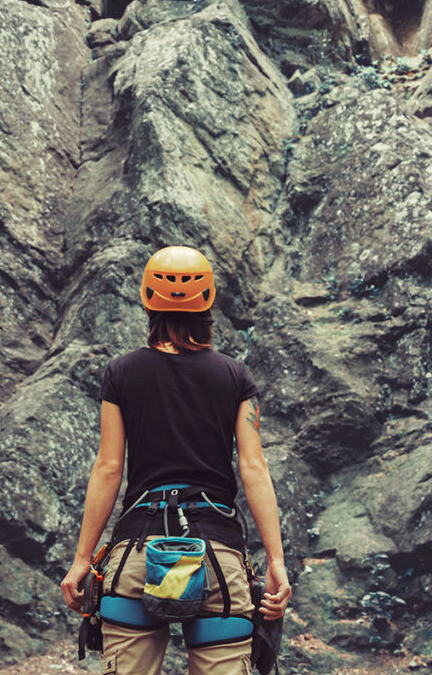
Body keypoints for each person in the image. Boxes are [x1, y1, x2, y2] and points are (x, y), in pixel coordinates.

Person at [60, 245, 291, 675]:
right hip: (217, 556)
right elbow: (253, 467)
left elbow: (109, 467)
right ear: (208, 304)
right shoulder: (235, 376)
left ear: (147, 302)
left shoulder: (122, 372)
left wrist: (82, 559)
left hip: (137, 554)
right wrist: (276, 562)